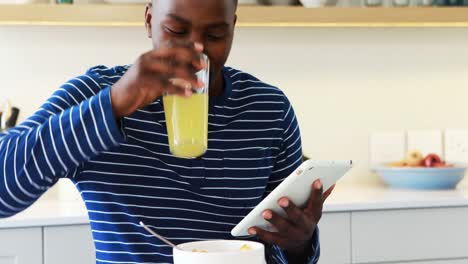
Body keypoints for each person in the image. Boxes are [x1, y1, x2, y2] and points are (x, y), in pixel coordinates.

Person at [0, 0, 334, 263]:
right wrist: (113, 104)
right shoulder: (98, 93)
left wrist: (299, 244)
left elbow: (284, 253)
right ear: (148, 21)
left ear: (233, 27)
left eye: (215, 35)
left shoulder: (269, 111)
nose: (197, 51)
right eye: (176, 29)